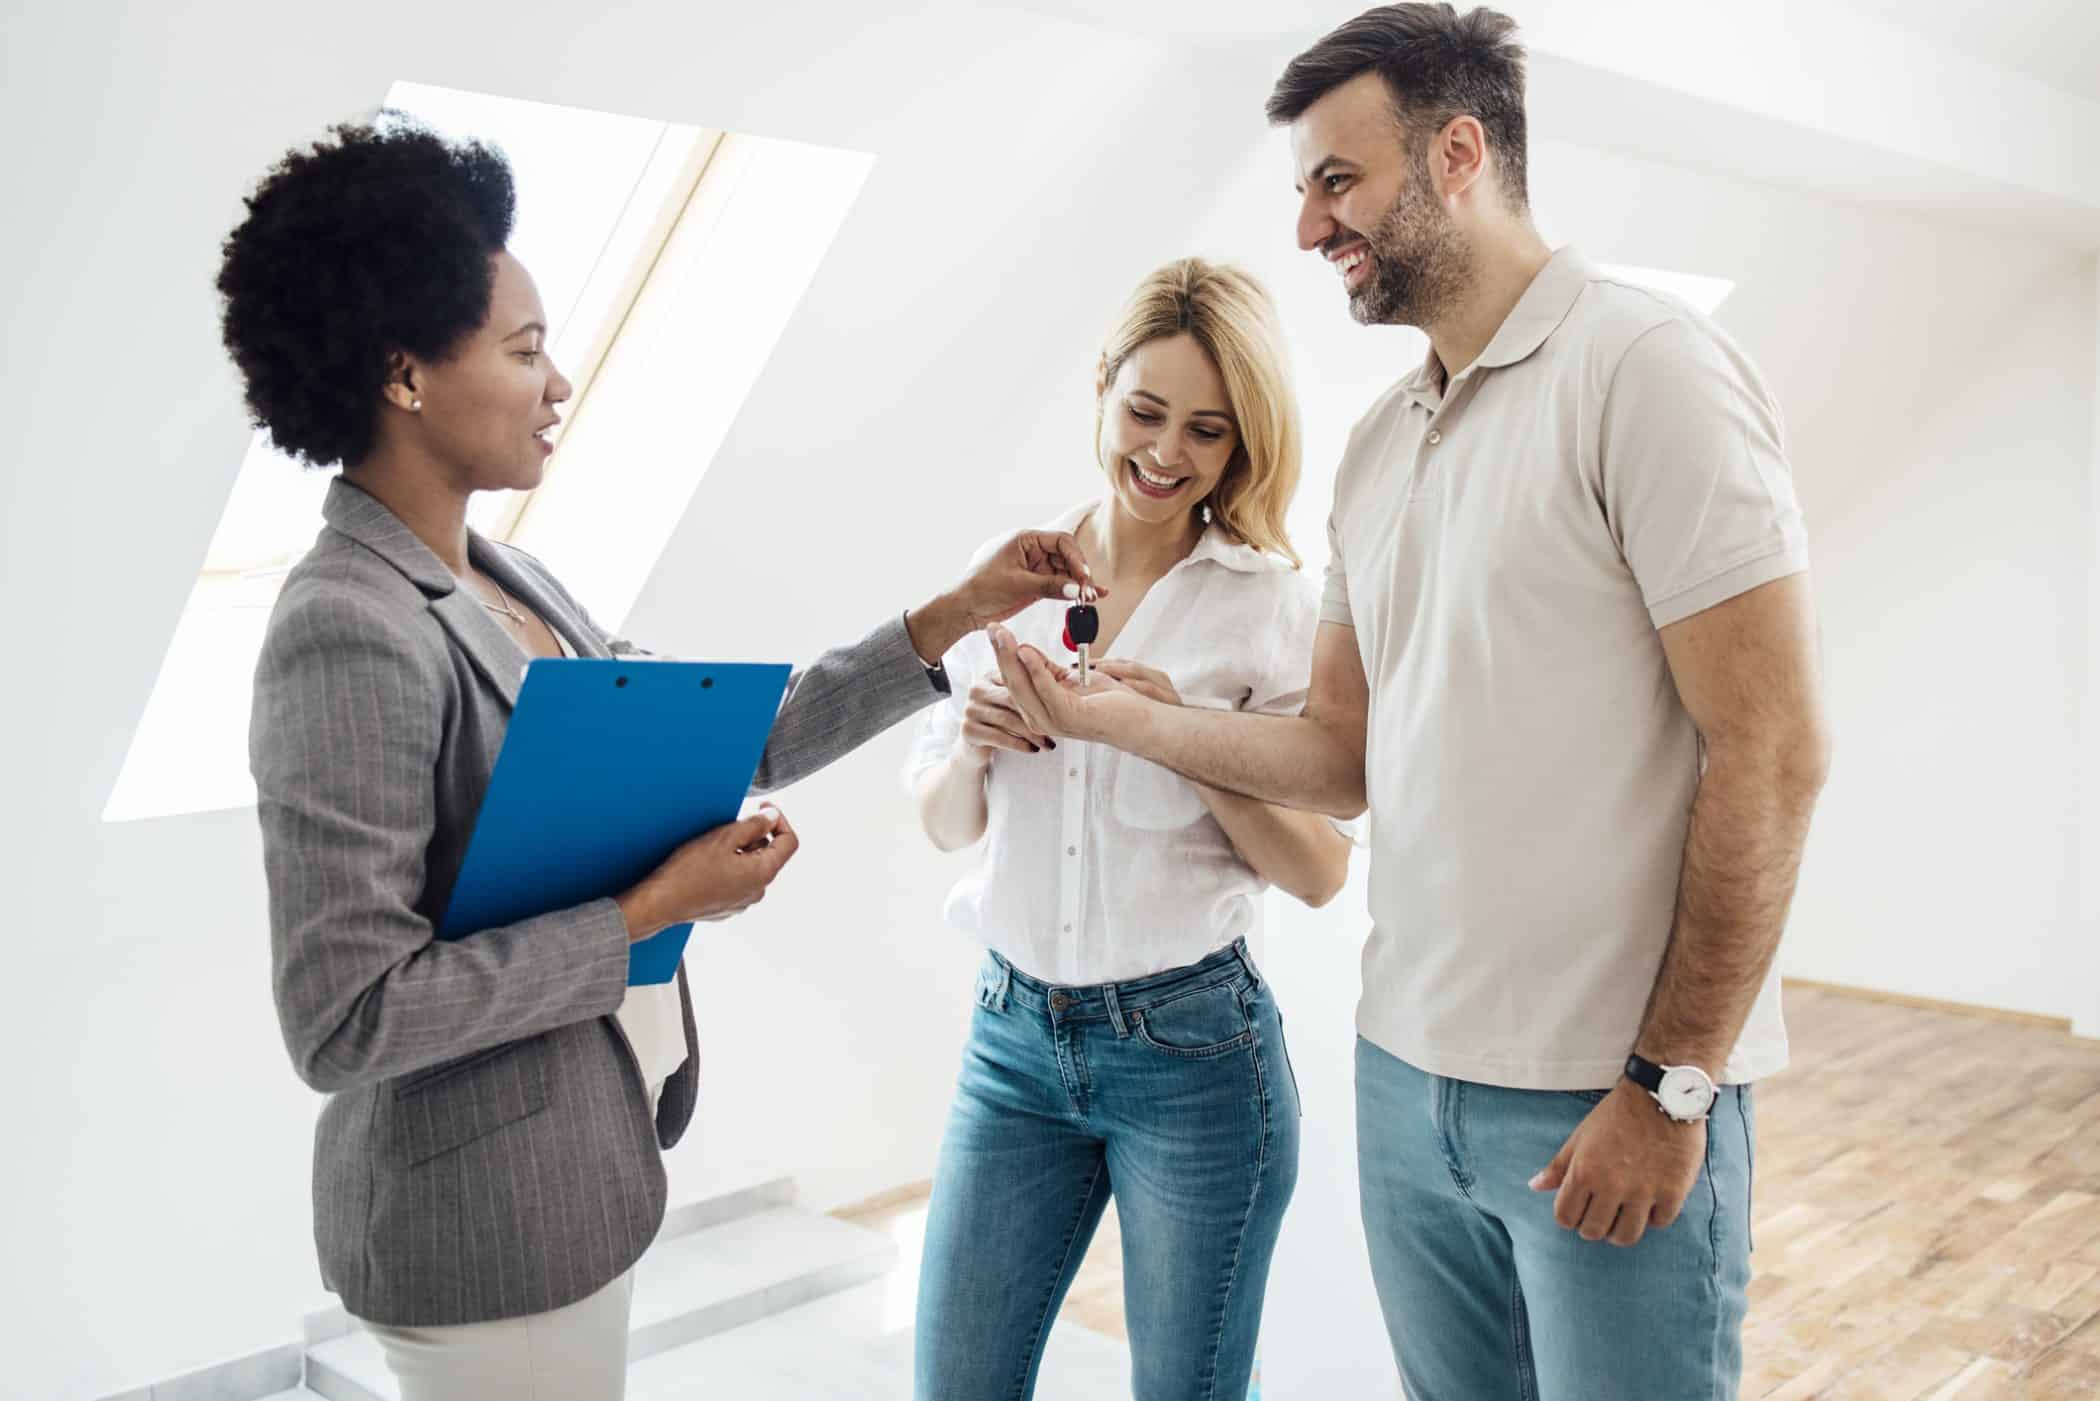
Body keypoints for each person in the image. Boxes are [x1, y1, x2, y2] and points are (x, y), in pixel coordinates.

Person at [983, 7, 1834, 1398]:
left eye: (1338, 181)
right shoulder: (1383, 442)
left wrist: (1673, 1081)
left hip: (1606, 1089)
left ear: (1458, 155)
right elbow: (1338, 755)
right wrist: (1120, 719)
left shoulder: (1648, 370)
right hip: (1406, 1084)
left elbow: (1775, 749)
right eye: (1304, 190)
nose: (1309, 228)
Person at [227, 117, 1097, 1401]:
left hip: (575, 1174)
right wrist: (650, 909)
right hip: (477, 1229)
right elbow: (347, 1020)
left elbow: (743, 735)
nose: (560, 382)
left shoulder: (508, 573)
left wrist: (957, 610)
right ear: (404, 375)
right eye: (525, 350)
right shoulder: (343, 628)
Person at [906, 258, 1353, 1401]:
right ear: (1102, 387)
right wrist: (974, 745)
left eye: (1206, 430)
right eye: (1145, 411)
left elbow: (1318, 872)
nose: (1165, 453)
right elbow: (944, 825)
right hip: (1012, 1046)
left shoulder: (1269, 605)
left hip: (1195, 1060)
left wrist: (1177, 736)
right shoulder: (1008, 581)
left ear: (1242, 444)